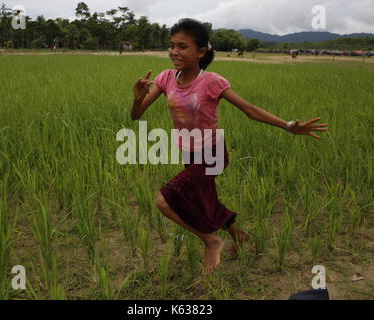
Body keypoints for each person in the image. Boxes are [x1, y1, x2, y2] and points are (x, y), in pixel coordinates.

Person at [130, 18, 328, 275]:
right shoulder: (166, 78)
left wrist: (288, 125)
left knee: (164, 201)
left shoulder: (211, 81)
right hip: (189, 153)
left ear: (201, 52)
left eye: (182, 46)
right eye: (172, 46)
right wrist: (137, 99)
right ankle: (242, 238)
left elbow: (250, 110)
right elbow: (136, 115)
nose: (174, 52)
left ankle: (210, 240)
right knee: (206, 202)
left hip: (212, 154)